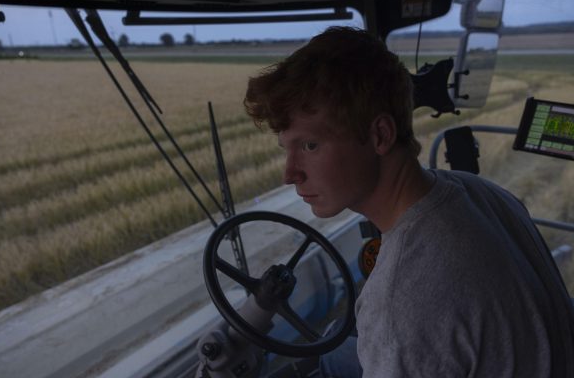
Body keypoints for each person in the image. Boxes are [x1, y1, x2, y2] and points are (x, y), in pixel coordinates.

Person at [243, 26, 574, 377]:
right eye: (286, 149)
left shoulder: (398, 304)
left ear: (380, 135)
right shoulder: (483, 192)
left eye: (310, 146)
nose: (289, 173)